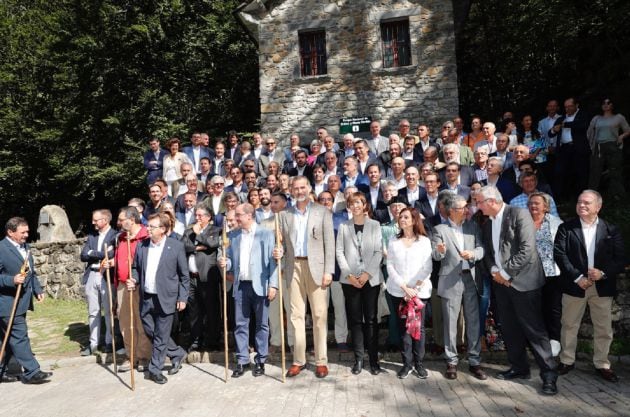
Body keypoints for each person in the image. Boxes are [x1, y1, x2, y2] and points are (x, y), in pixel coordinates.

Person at [475, 185, 558, 395]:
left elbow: (527, 249)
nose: (477, 206)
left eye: (479, 202)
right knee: (510, 328)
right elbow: (488, 251)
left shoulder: (519, 214)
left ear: (491, 201)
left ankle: (549, 375)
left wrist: (505, 273)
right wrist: (495, 270)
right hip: (501, 284)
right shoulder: (488, 223)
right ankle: (519, 368)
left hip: (524, 283)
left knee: (534, 330)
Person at [553, 190, 625, 383]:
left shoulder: (611, 230)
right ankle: (566, 360)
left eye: (587, 203)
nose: (581, 205)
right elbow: (560, 254)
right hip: (575, 285)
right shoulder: (566, 228)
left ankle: (602, 363)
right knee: (569, 325)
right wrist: (577, 277)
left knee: (603, 328)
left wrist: (603, 273)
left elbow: (620, 259)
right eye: (579, 202)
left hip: (602, 286)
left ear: (598, 207)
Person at [276, 176, 335, 378]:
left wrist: (329, 270)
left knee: (319, 315)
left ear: (309, 188)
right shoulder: (284, 215)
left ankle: (321, 361)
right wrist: (279, 254)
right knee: (296, 316)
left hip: (317, 268)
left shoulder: (322, 211)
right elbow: (282, 244)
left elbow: (330, 243)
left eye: (303, 187)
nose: (299, 191)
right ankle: (298, 360)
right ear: (291, 190)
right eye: (296, 188)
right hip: (294, 267)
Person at [127, 213, 189, 384]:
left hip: (167, 297)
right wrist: (133, 279)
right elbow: (135, 268)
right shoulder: (142, 246)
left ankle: (155, 369)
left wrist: (182, 297)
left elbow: (184, 276)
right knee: (151, 331)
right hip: (147, 297)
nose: (148, 228)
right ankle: (177, 353)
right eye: (148, 226)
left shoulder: (175, 246)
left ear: (162, 229)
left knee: (161, 336)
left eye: (152, 227)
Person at [218, 203, 278, 377]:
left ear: (249, 215)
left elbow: (273, 262)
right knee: (240, 324)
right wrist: (225, 263)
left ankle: (260, 360)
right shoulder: (233, 235)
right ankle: (242, 360)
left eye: (238, 215)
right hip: (241, 285)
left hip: (260, 284)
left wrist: (273, 285)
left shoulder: (266, 234)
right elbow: (230, 260)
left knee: (262, 324)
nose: (235, 218)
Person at [431, 195, 487, 380]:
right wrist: (440, 251)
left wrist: (473, 254)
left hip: (470, 279)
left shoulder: (472, 226)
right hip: (450, 280)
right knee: (450, 323)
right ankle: (452, 361)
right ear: (453, 210)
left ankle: (474, 361)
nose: (467, 210)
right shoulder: (439, 229)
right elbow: (436, 255)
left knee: (473, 321)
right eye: (464, 208)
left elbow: (481, 249)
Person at [335, 193, 384, 375]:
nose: (355, 206)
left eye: (358, 202)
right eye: (351, 203)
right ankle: (358, 359)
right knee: (355, 320)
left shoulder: (375, 225)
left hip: (370, 280)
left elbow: (379, 251)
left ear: (365, 205)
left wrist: (367, 274)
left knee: (371, 320)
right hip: (350, 281)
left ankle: (373, 360)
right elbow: (339, 252)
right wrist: (349, 275)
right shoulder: (343, 227)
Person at [0, 217, 52, 384]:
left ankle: (1, 372)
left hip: (20, 301)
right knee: (19, 336)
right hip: (6, 303)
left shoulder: (25, 247)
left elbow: (31, 272)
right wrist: (11, 280)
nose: (27, 235)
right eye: (23, 232)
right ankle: (32, 372)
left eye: (27, 231)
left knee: (6, 340)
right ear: (10, 232)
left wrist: (37, 290)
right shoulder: (1, 248)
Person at [386, 208, 433, 379]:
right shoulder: (393, 240)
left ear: (414, 220)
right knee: (404, 329)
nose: (402, 220)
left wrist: (414, 289)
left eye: (406, 217)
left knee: (418, 329)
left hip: (419, 292)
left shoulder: (424, 241)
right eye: (400, 217)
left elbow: (428, 267)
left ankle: (419, 364)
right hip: (398, 291)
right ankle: (407, 364)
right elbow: (389, 265)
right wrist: (404, 287)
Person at [114, 207, 152, 372]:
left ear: (133, 219)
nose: (119, 222)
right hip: (123, 284)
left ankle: (144, 356)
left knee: (141, 320)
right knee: (125, 322)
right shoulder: (121, 238)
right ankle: (131, 356)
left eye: (122, 219)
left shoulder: (146, 236)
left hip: (139, 284)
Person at [527, 192, 563, 357]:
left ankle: (554, 340)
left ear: (546, 206)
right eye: (531, 203)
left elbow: (562, 249)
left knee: (553, 308)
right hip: (529, 274)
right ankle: (538, 342)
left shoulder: (556, 223)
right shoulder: (523, 222)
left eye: (537, 203)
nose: (533, 206)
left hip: (551, 273)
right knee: (534, 309)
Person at [181, 205, 221, 352]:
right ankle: (196, 339)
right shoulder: (188, 231)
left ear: (208, 217)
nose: (197, 218)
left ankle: (213, 341)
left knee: (211, 310)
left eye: (200, 216)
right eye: (196, 215)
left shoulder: (215, 230)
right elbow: (183, 246)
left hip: (207, 277)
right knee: (194, 311)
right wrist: (198, 247)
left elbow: (213, 244)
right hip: (191, 278)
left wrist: (199, 235)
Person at [79, 209, 117, 356]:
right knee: (93, 311)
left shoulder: (115, 236)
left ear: (105, 220)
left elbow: (111, 254)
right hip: (92, 275)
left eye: (96, 220)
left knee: (108, 310)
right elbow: (83, 255)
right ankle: (93, 343)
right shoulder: (91, 236)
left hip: (106, 275)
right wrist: (98, 255)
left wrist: (92, 253)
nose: (93, 222)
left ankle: (109, 342)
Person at [587, 97, 630, 198]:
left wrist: (621, 136)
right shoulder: (596, 118)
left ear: (612, 105)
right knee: (595, 171)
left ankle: (617, 195)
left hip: (613, 146)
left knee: (615, 171)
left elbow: (628, 130)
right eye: (603, 103)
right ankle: (591, 196)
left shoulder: (618, 117)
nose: (606, 104)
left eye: (608, 103)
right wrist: (592, 144)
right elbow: (589, 131)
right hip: (598, 146)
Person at [548, 97, 590, 201]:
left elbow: (583, 126)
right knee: (561, 172)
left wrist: (565, 125)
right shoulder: (561, 118)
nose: (567, 109)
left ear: (576, 105)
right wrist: (554, 129)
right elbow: (550, 134)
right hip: (564, 149)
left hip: (578, 149)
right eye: (566, 107)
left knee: (580, 173)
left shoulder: (583, 115)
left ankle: (581, 197)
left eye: (570, 106)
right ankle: (562, 197)